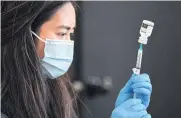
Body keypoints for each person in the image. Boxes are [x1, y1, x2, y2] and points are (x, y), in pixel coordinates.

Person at [1, 1, 152, 118]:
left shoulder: (52, 94)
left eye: (71, 34)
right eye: (61, 33)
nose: (67, 43)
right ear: (26, 35)